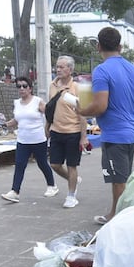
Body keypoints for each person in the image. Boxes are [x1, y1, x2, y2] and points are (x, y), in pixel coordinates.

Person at [78, 26, 134, 225]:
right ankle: (115, 213)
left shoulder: (102, 70)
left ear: (98, 46)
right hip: (130, 135)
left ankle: (120, 220)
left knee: (119, 181)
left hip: (115, 136)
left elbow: (100, 105)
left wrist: (82, 111)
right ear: (120, 46)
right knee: (119, 178)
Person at [1, 77, 59, 203]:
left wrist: (49, 128)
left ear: (30, 88)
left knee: (42, 163)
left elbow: (50, 115)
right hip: (23, 140)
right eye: (19, 86)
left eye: (24, 86)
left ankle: (52, 185)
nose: (21, 88)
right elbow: (17, 119)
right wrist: (6, 124)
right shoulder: (17, 103)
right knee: (20, 165)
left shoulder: (37, 101)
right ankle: (15, 192)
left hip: (38, 139)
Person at [48, 55, 87, 209]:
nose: (58, 69)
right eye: (57, 67)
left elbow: (82, 113)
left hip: (73, 132)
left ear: (70, 70)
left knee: (72, 165)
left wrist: (83, 137)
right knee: (55, 164)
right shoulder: (52, 86)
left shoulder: (77, 87)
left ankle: (71, 196)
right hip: (56, 130)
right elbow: (50, 109)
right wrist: (47, 127)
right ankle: (74, 180)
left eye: (61, 67)